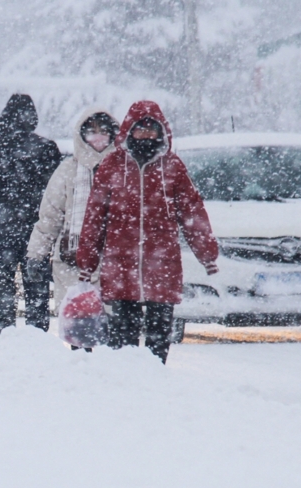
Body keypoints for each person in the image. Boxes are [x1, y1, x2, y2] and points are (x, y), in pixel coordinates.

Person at [76, 101, 219, 363]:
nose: (145, 135)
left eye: (151, 130)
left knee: (159, 337)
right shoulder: (112, 166)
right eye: (140, 129)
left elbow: (192, 213)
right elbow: (95, 218)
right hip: (121, 266)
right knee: (123, 337)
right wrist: (87, 261)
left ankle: (156, 381)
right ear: (129, 131)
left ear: (161, 132)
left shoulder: (173, 166)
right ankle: (125, 384)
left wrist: (207, 254)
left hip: (162, 266)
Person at [25, 107, 118, 339]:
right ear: (81, 134)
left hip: (114, 262)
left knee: (112, 330)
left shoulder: (123, 170)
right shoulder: (67, 171)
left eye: (104, 131)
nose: (98, 137)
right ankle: (79, 369)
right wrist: (36, 255)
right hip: (72, 262)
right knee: (79, 329)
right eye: (92, 132)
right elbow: (49, 218)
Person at [0, 94, 62, 333]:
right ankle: (36, 330)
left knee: (2, 278)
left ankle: (2, 329)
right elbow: (57, 192)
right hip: (37, 227)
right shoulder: (46, 148)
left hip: (4, 226)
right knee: (36, 280)